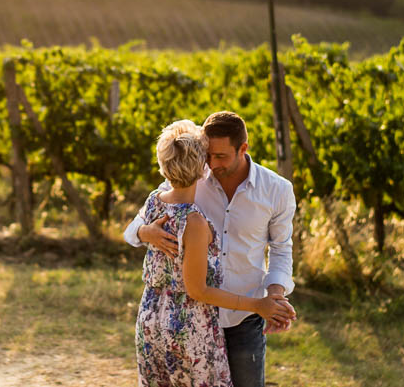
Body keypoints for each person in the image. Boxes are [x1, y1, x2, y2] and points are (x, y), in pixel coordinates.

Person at [126, 111, 296, 387]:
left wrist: (274, 298)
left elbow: (281, 249)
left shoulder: (277, 190)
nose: (211, 164)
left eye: (220, 156)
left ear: (243, 148)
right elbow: (134, 227)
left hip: (244, 317)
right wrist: (147, 232)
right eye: (207, 155)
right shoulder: (191, 177)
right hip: (195, 319)